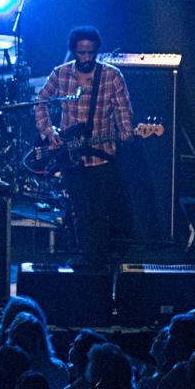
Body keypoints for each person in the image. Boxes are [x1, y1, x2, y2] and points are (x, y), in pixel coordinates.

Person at [33, 25, 134, 268]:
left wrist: (127, 131)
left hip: (101, 154)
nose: (87, 58)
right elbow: (40, 102)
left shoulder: (111, 75)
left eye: (91, 53)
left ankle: (98, 263)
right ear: (74, 51)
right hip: (69, 154)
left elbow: (123, 110)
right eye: (82, 53)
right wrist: (49, 132)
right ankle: (87, 260)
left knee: (100, 213)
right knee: (79, 211)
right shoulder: (60, 74)